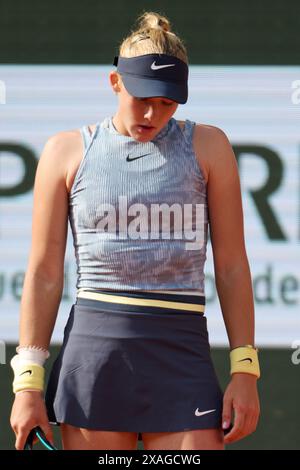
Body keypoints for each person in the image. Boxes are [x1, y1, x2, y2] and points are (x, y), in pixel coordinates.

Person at [10, 11, 260, 450]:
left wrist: (245, 370)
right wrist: (27, 380)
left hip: (182, 353)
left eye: (167, 102)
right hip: (95, 357)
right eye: (141, 98)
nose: (152, 113)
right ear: (115, 83)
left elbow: (233, 265)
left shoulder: (209, 146)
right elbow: (45, 272)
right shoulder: (65, 151)